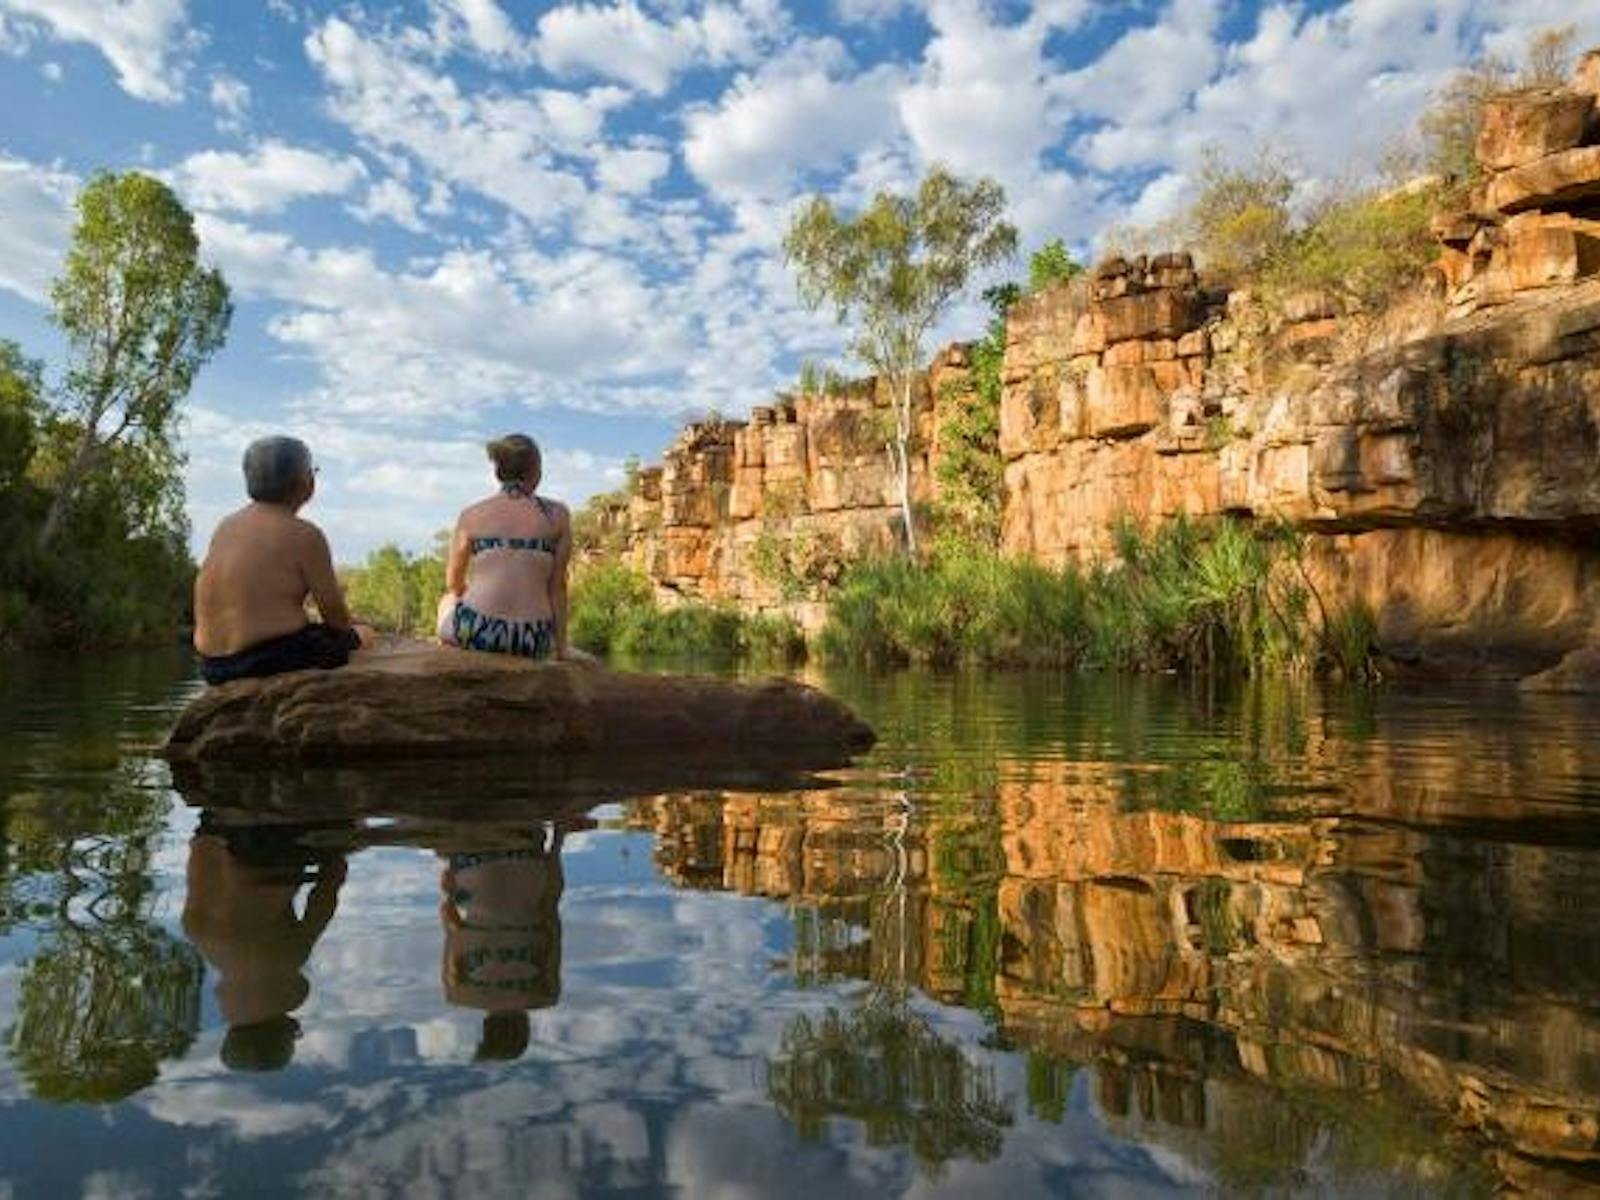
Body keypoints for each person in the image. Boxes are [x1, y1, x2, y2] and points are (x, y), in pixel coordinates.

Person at [193, 436, 370, 685]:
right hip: (270, 660)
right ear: (304, 482)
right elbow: (336, 618)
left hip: (213, 666)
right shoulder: (305, 534)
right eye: (313, 471)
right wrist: (355, 631)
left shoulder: (226, 526)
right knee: (361, 635)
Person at [182, 816, 349, 1072]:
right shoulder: (199, 937)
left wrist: (337, 859)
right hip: (213, 825)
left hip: (273, 842)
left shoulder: (287, 960)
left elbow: (324, 899)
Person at [437, 434, 572, 660]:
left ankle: (452, 658)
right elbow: (557, 589)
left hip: (480, 631)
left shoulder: (472, 515)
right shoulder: (558, 516)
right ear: (536, 472)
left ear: (498, 471)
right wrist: (561, 650)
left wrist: (466, 596)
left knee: (447, 600)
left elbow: (453, 582)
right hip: (534, 638)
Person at [438, 823, 566, 1062]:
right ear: (486, 1028)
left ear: (525, 1026)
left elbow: (551, 915)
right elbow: (449, 917)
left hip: (526, 852)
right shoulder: (458, 994)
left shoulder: (546, 993)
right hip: (471, 860)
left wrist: (558, 841)